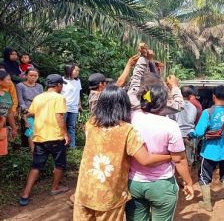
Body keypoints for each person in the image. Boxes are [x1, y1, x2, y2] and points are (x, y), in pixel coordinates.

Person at [73, 86, 172, 221]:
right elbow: (146, 160)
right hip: (109, 194)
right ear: (124, 106)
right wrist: (171, 156)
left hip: (85, 190)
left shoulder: (90, 124)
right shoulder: (127, 131)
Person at [125, 84, 194, 221]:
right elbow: (179, 159)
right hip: (161, 185)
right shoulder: (170, 125)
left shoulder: (129, 118)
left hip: (133, 183)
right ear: (163, 102)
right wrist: (188, 183)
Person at [19, 74, 69, 206]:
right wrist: (66, 134)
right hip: (55, 137)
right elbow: (59, 116)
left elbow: (31, 112)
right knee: (59, 163)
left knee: (36, 166)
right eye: (61, 84)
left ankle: (25, 194)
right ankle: (55, 188)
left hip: (39, 137)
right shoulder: (59, 98)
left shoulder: (38, 97)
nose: (62, 86)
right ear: (58, 85)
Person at [188, 85, 224, 213]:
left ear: (213, 96)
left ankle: (207, 204)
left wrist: (191, 134)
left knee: (204, 176)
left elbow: (199, 132)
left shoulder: (208, 112)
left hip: (209, 151)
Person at [16, 68, 43, 152]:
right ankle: (32, 150)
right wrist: (27, 110)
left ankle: (40, 149)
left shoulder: (39, 86)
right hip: (26, 110)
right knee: (31, 129)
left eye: (35, 76)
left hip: (39, 110)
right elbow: (20, 101)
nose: (33, 77)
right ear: (26, 75)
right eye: (31, 75)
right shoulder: (20, 85)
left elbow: (42, 100)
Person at [171, 86, 197, 169]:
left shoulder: (174, 106)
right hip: (190, 135)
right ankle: (187, 180)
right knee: (189, 159)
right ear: (190, 96)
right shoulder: (193, 107)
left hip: (177, 135)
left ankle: (179, 179)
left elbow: (170, 120)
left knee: (177, 158)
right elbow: (194, 120)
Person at [61, 63, 82, 148]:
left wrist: (79, 104)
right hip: (63, 107)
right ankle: (61, 145)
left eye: (78, 70)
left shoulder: (78, 81)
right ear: (69, 70)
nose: (77, 72)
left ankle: (72, 146)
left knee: (71, 127)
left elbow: (78, 93)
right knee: (62, 126)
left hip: (74, 107)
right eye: (75, 70)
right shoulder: (62, 80)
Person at [0, 70, 16, 156]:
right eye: (8, 80)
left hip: (2, 128)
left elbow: (9, 113)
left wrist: (14, 128)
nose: (10, 82)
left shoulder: (7, 94)